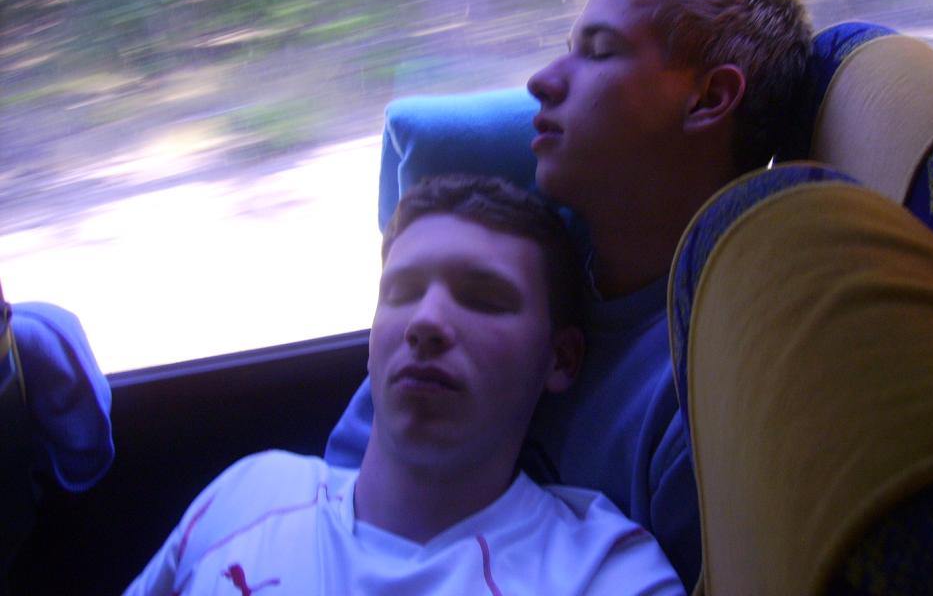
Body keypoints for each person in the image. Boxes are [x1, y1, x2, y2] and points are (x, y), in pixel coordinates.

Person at [325, 0, 813, 590]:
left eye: (598, 52)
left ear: (707, 99)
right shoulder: (513, 259)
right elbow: (347, 486)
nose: (542, 81)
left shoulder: (705, 393)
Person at [123, 175, 685, 595]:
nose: (426, 321)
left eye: (483, 298)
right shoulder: (251, 490)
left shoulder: (602, 573)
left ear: (559, 359)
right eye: (402, 293)